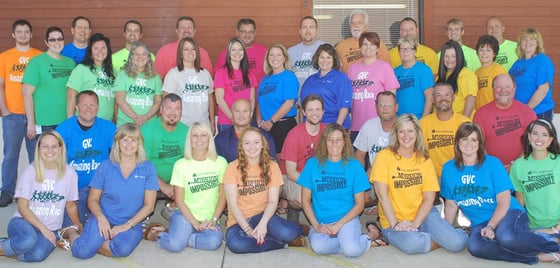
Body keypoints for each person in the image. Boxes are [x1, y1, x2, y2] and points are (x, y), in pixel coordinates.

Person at [441, 122, 560, 264]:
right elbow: (451, 205)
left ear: (480, 143)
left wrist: (491, 226)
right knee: (476, 247)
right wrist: (446, 232)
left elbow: (504, 201)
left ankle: (554, 245)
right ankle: (538, 257)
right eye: (464, 139)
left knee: (506, 237)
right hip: (480, 221)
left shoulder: (492, 163)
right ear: (457, 142)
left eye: (474, 140)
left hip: (508, 213)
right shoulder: (449, 169)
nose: (469, 144)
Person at [372, 114, 468, 254]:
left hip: (424, 215)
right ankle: (438, 237)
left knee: (457, 243)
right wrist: (396, 224)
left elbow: (429, 198)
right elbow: (382, 194)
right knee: (413, 245)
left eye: (410, 131)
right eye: (401, 131)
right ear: (396, 134)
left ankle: (461, 233)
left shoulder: (424, 160)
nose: (406, 135)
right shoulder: (384, 156)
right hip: (394, 220)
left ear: (417, 133)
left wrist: (415, 223)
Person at [69, 123, 158, 259]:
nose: (129, 144)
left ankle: (94, 243)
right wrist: (100, 217)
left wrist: (126, 226)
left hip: (131, 221)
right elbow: (92, 200)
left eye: (133, 140)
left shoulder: (148, 168)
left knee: (121, 250)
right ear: (117, 143)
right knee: (81, 252)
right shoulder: (105, 166)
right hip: (105, 217)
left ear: (139, 144)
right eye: (125, 140)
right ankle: (73, 234)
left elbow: (149, 206)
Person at [298, 123, 379, 257]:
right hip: (322, 221)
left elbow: (360, 205)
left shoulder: (354, 166)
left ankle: (369, 237)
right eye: (330, 140)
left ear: (344, 142)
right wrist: (317, 226)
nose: (334, 144)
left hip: (347, 220)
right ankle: (347, 240)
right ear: (324, 142)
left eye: (338, 140)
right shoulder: (312, 164)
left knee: (352, 251)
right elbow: (305, 201)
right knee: (319, 248)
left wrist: (339, 225)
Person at [0, 131, 80, 262]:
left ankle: (11, 246)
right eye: (45, 146)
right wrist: (43, 230)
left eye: (54, 146)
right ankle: (8, 246)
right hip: (23, 222)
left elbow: (70, 205)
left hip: (52, 228)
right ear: (38, 148)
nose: (50, 150)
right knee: (28, 241)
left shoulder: (70, 174)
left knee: (37, 254)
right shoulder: (30, 171)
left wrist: (77, 226)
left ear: (60, 149)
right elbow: (23, 208)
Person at [223, 128, 304, 253]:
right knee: (236, 244)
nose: (252, 147)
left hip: (263, 215)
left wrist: (263, 224)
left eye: (256, 142)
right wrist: (248, 231)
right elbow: (232, 205)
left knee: (287, 232)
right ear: (241, 146)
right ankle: (279, 244)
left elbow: (273, 202)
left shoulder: (272, 166)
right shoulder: (232, 167)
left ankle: (298, 230)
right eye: (247, 143)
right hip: (238, 221)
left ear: (262, 145)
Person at [155, 123, 227, 252]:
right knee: (175, 246)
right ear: (189, 140)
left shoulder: (220, 162)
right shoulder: (181, 164)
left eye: (203, 135)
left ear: (209, 139)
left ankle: (183, 238)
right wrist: (196, 224)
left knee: (214, 242)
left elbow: (222, 196)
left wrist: (213, 220)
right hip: (184, 216)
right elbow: (179, 201)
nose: (199, 140)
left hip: (209, 218)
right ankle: (160, 236)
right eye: (195, 135)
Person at [56, 90, 116, 226]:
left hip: (101, 188)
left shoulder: (108, 127)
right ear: (76, 107)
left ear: (98, 107)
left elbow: (122, 156)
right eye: (84, 105)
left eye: (93, 105)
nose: (89, 109)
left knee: (107, 223)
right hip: (75, 189)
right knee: (72, 225)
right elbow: (52, 159)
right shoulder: (64, 128)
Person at [0, 19, 42, 207]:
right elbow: (0, 86)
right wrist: (4, 110)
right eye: (19, 32)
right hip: (13, 115)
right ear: (13, 34)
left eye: (26, 31)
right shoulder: (4, 57)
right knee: (10, 155)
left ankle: (34, 192)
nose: (23, 35)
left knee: (36, 155)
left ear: (31, 34)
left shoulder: (39, 56)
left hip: (35, 115)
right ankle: (7, 191)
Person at [474, 74, 536, 169]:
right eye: (499, 87)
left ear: (514, 89)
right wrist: (493, 166)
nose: (503, 91)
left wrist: (515, 165)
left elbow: (532, 142)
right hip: (491, 169)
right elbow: (478, 144)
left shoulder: (527, 112)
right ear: (493, 90)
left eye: (507, 87)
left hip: (523, 167)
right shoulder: (481, 114)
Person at [22, 26, 75, 138]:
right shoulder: (36, 62)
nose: (57, 42)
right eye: (52, 39)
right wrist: (31, 123)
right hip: (44, 121)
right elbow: (27, 93)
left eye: (60, 39)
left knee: (64, 154)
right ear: (46, 42)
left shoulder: (70, 63)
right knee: (44, 154)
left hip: (66, 119)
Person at [280, 94, 326, 222]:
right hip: (292, 177)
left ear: (323, 112)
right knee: (301, 199)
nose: (314, 113)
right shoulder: (294, 135)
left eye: (318, 109)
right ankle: (293, 210)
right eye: (310, 110)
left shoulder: (327, 132)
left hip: (316, 176)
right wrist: (314, 184)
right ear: (304, 112)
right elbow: (290, 172)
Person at [141, 93, 188, 214]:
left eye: (177, 109)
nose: (173, 113)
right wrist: (163, 185)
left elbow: (190, 163)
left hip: (177, 180)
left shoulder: (187, 131)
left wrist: (176, 184)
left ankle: (174, 208)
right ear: (161, 110)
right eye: (168, 108)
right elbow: (142, 162)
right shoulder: (147, 129)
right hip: (151, 177)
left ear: (182, 112)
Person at [510, 119, 560, 234]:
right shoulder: (519, 165)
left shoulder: (558, 161)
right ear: (528, 136)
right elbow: (520, 199)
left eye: (544, 135)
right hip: (535, 226)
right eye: (535, 134)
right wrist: (522, 225)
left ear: (550, 140)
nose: (539, 139)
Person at [348, 32, 399, 138]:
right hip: (356, 125)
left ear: (377, 48)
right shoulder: (352, 68)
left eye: (372, 44)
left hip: (378, 124)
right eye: (365, 44)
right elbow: (348, 97)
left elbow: (391, 97)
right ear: (360, 47)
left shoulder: (384, 67)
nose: (368, 47)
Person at [162, 37, 215, 131]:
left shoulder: (205, 74)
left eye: (193, 49)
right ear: (181, 53)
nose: (190, 52)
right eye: (186, 49)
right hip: (182, 126)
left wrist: (212, 122)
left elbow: (210, 98)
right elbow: (166, 101)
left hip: (203, 126)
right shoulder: (173, 74)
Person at [420, 82, 470, 179]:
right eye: (438, 95)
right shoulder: (422, 124)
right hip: (431, 178)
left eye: (447, 95)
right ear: (433, 99)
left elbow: (473, 155)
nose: (443, 99)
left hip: (459, 177)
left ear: (453, 98)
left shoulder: (465, 123)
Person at [256, 44, 299, 154]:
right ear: (267, 58)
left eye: (278, 55)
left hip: (283, 125)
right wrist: (259, 120)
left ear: (284, 58)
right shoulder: (265, 79)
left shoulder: (289, 77)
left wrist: (271, 121)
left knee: (281, 160)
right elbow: (259, 101)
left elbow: (289, 103)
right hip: (266, 127)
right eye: (272, 55)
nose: (275, 58)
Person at [300, 43, 352, 129]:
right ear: (317, 59)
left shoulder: (341, 78)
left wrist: (336, 129)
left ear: (334, 60)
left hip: (332, 127)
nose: (325, 60)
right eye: (322, 57)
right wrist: (301, 127)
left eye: (328, 57)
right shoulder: (309, 80)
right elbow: (303, 107)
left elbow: (344, 107)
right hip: (310, 128)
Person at [66, 33, 116, 121]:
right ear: (91, 52)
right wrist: (70, 120)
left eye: (103, 48)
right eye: (96, 48)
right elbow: (71, 95)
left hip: (107, 123)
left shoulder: (113, 71)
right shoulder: (81, 69)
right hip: (85, 121)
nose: (100, 51)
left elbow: (116, 99)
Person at [509, 28, 555, 121]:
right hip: (519, 112)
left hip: (539, 111)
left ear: (537, 43)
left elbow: (543, 89)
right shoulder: (518, 62)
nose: (527, 42)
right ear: (520, 43)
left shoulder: (542, 61)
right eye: (524, 39)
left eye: (531, 39)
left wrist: (527, 110)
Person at [114, 41, 162, 126]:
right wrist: (136, 118)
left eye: (144, 54)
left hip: (149, 124)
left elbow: (158, 101)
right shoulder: (123, 74)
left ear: (148, 57)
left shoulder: (156, 77)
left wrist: (146, 117)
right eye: (137, 54)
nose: (140, 57)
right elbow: (120, 100)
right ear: (131, 57)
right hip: (126, 124)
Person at [213, 37, 257, 132]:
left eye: (240, 49)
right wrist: (233, 118)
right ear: (228, 52)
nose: (237, 53)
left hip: (245, 123)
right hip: (227, 123)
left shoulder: (250, 74)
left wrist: (249, 116)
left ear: (244, 52)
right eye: (233, 49)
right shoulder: (221, 73)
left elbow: (252, 99)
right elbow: (219, 100)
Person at [354, 91, 397, 173]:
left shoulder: (403, 127)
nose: (385, 108)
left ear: (396, 107)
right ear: (376, 107)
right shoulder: (369, 125)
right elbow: (360, 154)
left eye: (390, 105)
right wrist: (362, 176)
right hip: (374, 176)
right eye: (381, 105)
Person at [215, 18, 267, 84]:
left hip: (261, 93)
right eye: (243, 32)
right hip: (235, 93)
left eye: (250, 32)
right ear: (237, 32)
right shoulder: (227, 53)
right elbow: (218, 78)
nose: (247, 35)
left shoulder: (265, 51)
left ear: (255, 33)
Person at [394, 37, 433, 119]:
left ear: (414, 51)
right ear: (398, 52)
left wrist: (424, 120)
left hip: (418, 117)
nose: (405, 52)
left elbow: (429, 97)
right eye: (402, 49)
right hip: (399, 118)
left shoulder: (424, 70)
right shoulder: (394, 71)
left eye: (409, 49)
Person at [437, 40, 477, 119]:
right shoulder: (440, 77)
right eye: (446, 56)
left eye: (453, 56)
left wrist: (463, 122)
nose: (450, 60)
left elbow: (471, 99)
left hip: (460, 124)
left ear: (459, 57)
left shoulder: (466, 75)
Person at [288, 16, 325, 95]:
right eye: (304, 27)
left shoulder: (327, 49)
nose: (308, 31)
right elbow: (286, 79)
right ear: (300, 31)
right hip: (298, 103)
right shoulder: (290, 52)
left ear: (317, 30)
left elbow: (336, 76)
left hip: (322, 102)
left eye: (311, 27)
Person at [474, 35, 507, 109]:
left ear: (494, 54)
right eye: (481, 50)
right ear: (477, 52)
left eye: (488, 50)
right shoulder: (476, 72)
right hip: (480, 113)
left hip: (494, 112)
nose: (484, 53)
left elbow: (504, 96)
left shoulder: (499, 70)